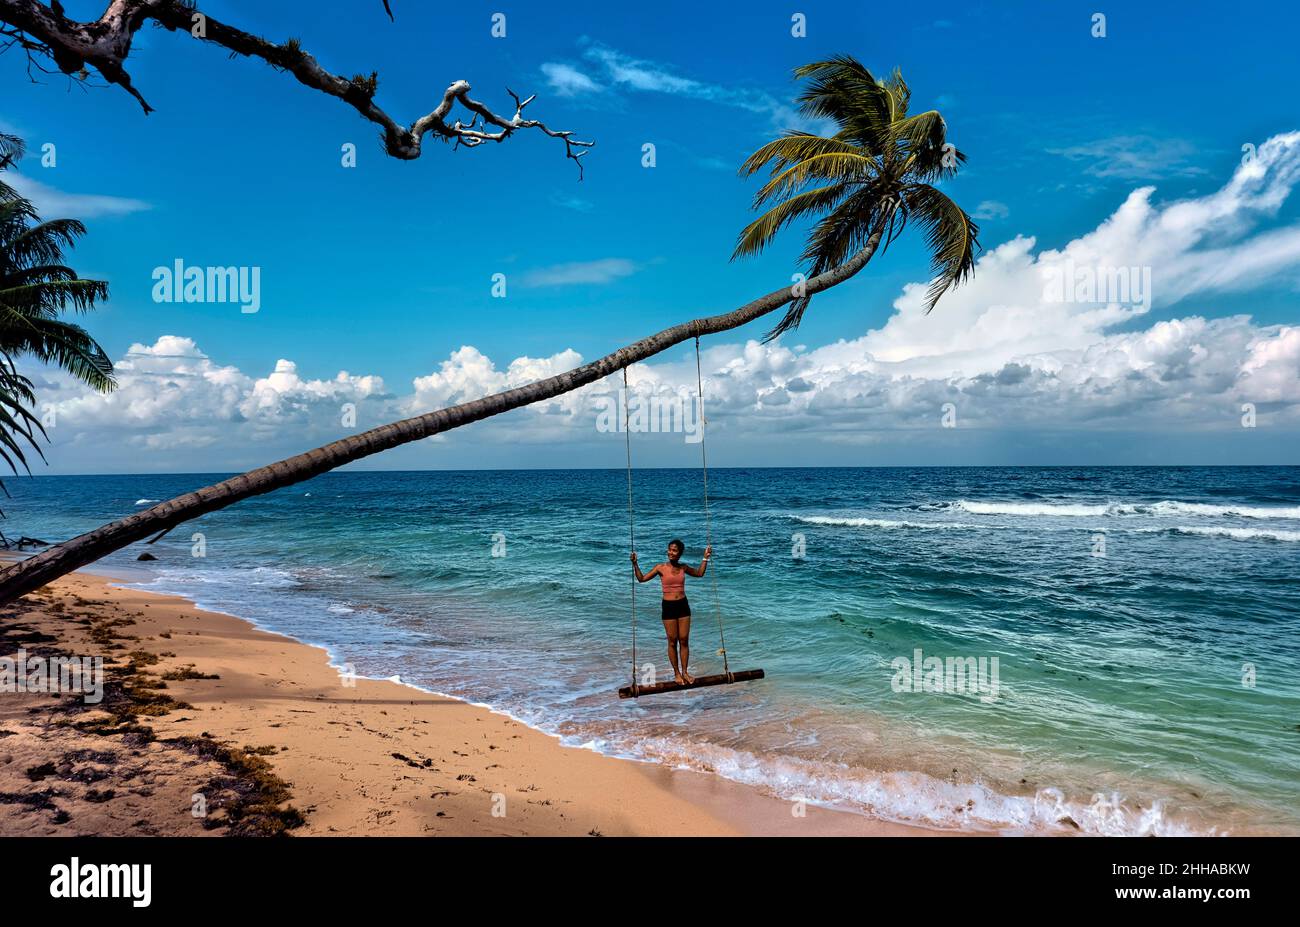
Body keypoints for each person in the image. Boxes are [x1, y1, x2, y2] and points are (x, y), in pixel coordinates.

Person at [631, 538, 711, 686]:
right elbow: (641, 579)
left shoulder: (683, 568)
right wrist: (635, 563)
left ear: (679, 553)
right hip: (668, 606)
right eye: (669, 549)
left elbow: (700, 573)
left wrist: (705, 557)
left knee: (684, 640)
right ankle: (676, 673)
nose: (671, 552)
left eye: (674, 550)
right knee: (672, 641)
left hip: (683, 605)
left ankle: (685, 672)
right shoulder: (660, 568)